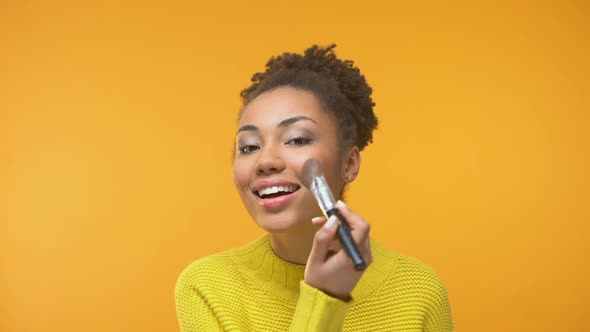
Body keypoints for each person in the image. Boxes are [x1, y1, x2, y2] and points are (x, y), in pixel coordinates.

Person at [175, 44, 454, 331]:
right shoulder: (206, 287)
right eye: (248, 146)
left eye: (297, 140)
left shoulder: (419, 291)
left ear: (348, 163)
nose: (265, 160)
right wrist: (324, 299)